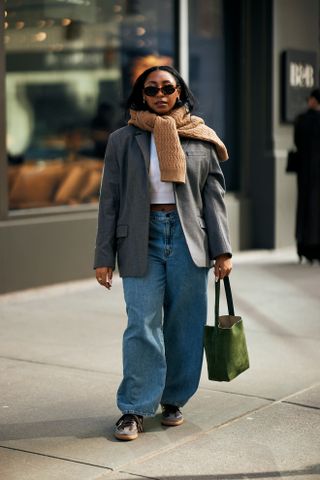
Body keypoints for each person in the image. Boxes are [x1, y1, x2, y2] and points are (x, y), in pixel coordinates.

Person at [94, 65, 232, 441]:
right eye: (150, 88)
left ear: (179, 93)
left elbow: (213, 198)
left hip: (189, 238)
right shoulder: (123, 140)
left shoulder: (201, 139)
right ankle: (135, 408)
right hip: (141, 239)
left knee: (184, 324)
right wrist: (103, 256)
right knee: (142, 324)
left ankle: (173, 399)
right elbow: (110, 201)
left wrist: (222, 250)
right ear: (141, 94)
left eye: (167, 88)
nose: (159, 94)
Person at [293, 88, 320, 263]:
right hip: (317, 174)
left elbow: (297, 141)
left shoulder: (301, 120)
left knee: (304, 207)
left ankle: (303, 247)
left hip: (304, 172)